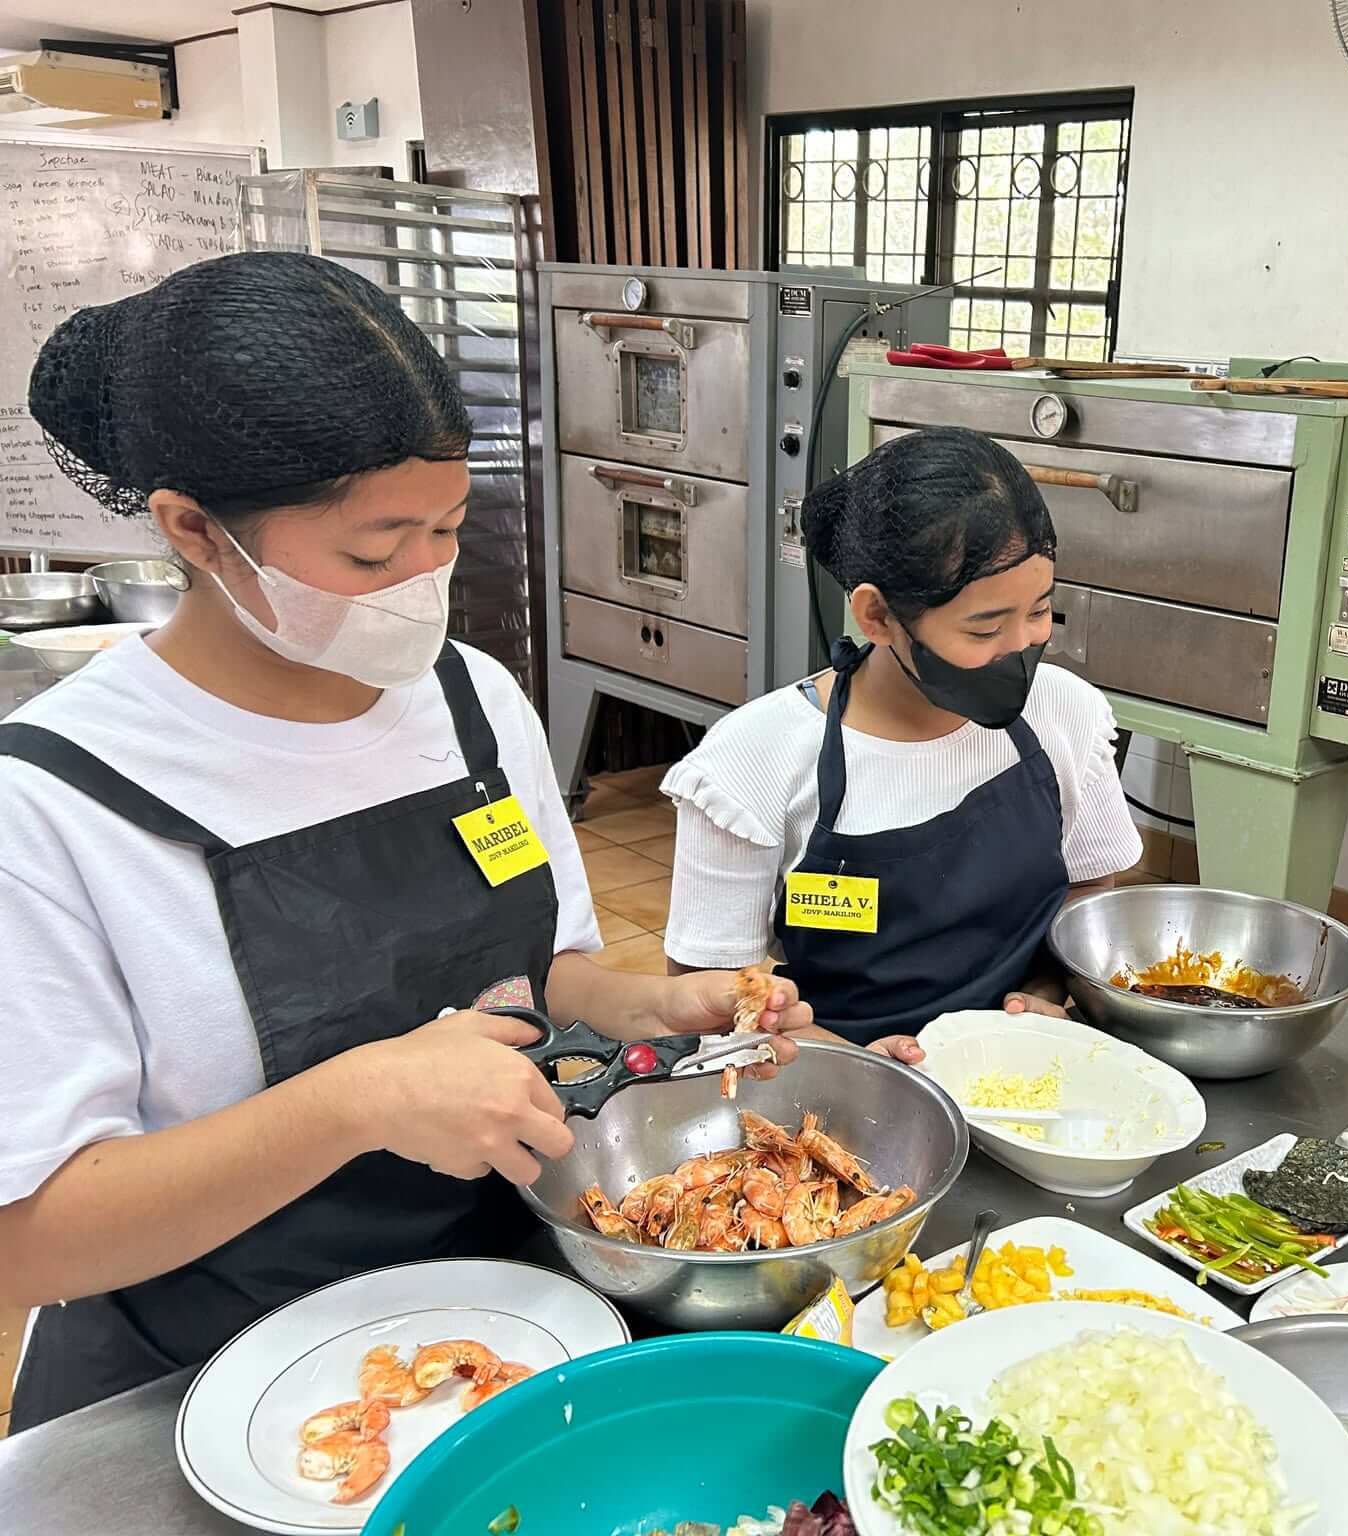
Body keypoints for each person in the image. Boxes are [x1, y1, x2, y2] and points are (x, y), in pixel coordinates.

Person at [0, 252, 806, 1427]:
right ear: (195, 530)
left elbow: (538, 979)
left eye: (447, 529)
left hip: (503, 1312)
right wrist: (357, 1100)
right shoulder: (50, 802)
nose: (424, 580)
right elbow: (32, 1238)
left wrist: (657, 1005)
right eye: (373, 553)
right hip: (206, 1375)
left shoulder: (472, 701)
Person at [662, 426, 1142, 1057]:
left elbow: (1088, 891)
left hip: (1021, 1068)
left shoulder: (1063, 712)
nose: (1023, 645)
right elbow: (710, 998)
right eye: (985, 628)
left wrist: (1043, 991)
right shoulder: (752, 763)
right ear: (878, 616)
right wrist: (862, 1068)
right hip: (828, 1084)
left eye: (1039, 611)